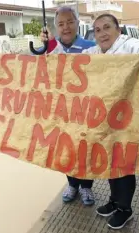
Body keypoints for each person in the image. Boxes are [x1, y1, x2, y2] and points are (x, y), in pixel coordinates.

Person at [41, 13, 139, 230]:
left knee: (124, 164)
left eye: (107, 27)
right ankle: (115, 201)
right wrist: (51, 42)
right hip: (107, 123)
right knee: (111, 161)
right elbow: (68, 62)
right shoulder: (95, 52)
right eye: (97, 30)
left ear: (119, 30)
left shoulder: (133, 46)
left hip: (128, 122)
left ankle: (125, 209)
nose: (102, 33)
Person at [40, 6, 96, 206]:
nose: (66, 27)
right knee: (66, 150)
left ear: (77, 23)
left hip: (87, 111)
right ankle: (72, 184)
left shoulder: (92, 46)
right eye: (61, 24)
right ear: (55, 27)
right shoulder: (51, 49)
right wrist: (46, 47)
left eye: (70, 22)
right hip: (62, 112)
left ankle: (87, 187)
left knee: (86, 149)